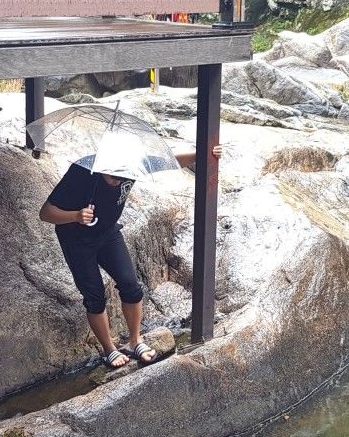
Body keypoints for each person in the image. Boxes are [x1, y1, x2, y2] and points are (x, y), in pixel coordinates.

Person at [40, 136, 222, 369]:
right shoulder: (82, 171)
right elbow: (46, 213)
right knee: (95, 297)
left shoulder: (132, 165)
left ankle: (135, 341)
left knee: (131, 286)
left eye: (121, 175)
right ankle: (109, 349)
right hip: (77, 241)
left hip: (108, 233)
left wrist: (204, 153)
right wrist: (75, 216)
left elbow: (170, 161)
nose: (116, 180)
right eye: (111, 175)